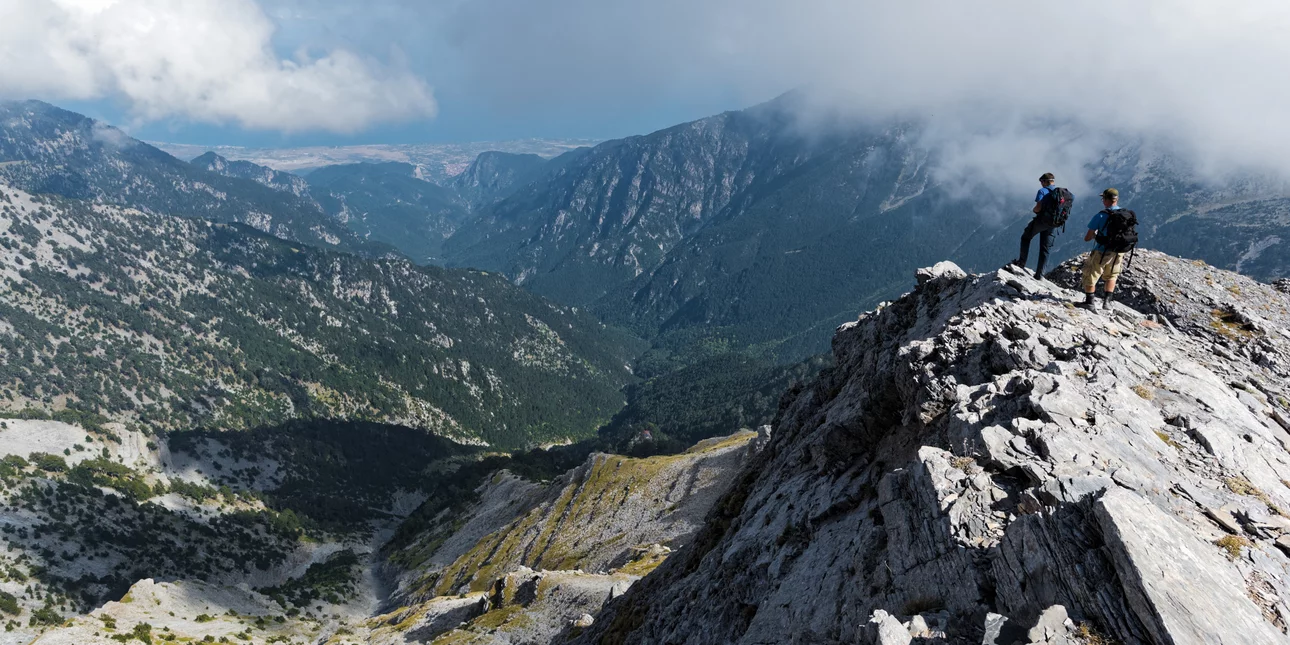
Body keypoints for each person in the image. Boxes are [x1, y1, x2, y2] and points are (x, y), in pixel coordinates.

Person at [1078, 188, 1128, 310]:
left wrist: (1096, 235)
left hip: (1102, 251)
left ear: (1106, 200)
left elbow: (1087, 237)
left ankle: (1089, 303)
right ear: (1117, 199)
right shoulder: (1125, 215)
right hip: (1118, 252)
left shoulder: (1100, 215)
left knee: (1090, 274)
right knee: (1112, 275)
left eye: (1103, 198)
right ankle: (1107, 303)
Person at [1013, 173, 1066, 279]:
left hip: (1042, 221)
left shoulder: (1042, 191)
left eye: (1041, 182)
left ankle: (1021, 262)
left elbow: (1038, 208)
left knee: (1026, 237)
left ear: (1045, 181)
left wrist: (1034, 210)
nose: (1041, 184)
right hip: (1054, 223)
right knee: (1045, 248)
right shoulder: (1061, 193)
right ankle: (1040, 275)